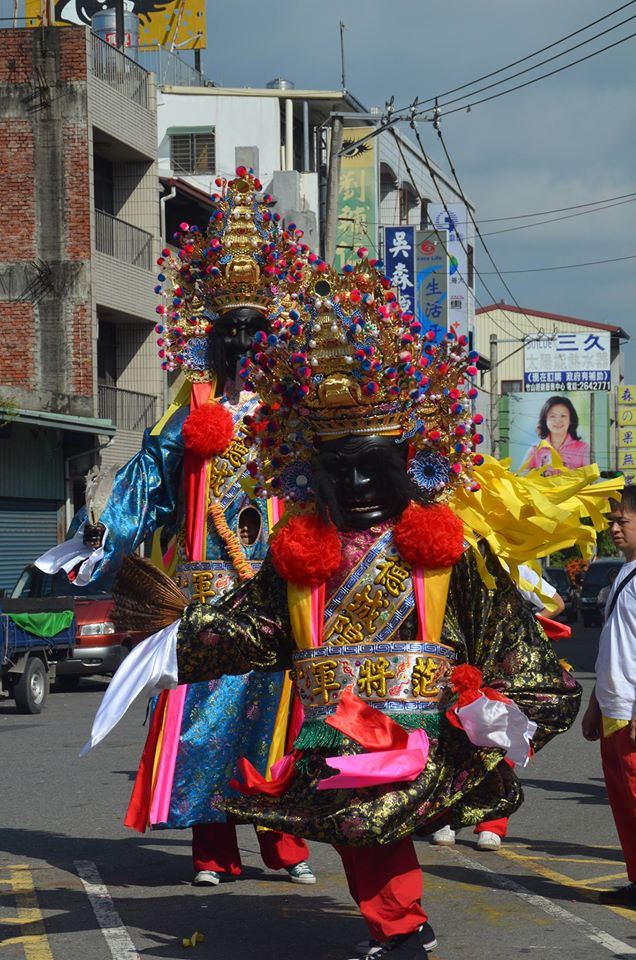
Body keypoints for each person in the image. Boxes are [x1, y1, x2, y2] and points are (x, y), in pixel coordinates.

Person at [37, 171, 315, 888]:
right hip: (203, 596)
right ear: (216, 344)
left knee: (274, 716)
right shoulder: (192, 410)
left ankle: (285, 847)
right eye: (236, 335)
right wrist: (105, 542)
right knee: (203, 723)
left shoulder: (289, 414)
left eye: (259, 333)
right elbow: (144, 483)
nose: (248, 346)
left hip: (275, 590)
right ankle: (212, 853)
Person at [431, 562, 565, 851]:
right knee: (446, 740)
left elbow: (554, 603)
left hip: (499, 669)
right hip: (453, 664)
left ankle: (492, 825)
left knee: (498, 737)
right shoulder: (448, 562)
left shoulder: (510, 561)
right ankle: (444, 817)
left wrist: (522, 636)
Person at [582, 486, 636, 908]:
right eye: (612, 521)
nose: (614, 528)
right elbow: (612, 644)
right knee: (624, 803)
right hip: (613, 705)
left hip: (632, 709)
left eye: (623, 521)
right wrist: (594, 703)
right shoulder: (623, 572)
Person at [523, 396, 590, 473]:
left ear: (571, 419)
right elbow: (522, 478)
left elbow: (591, 479)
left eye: (563, 416)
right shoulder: (535, 449)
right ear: (545, 419)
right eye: (552, 416)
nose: (558, 421)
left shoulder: (583, 449)